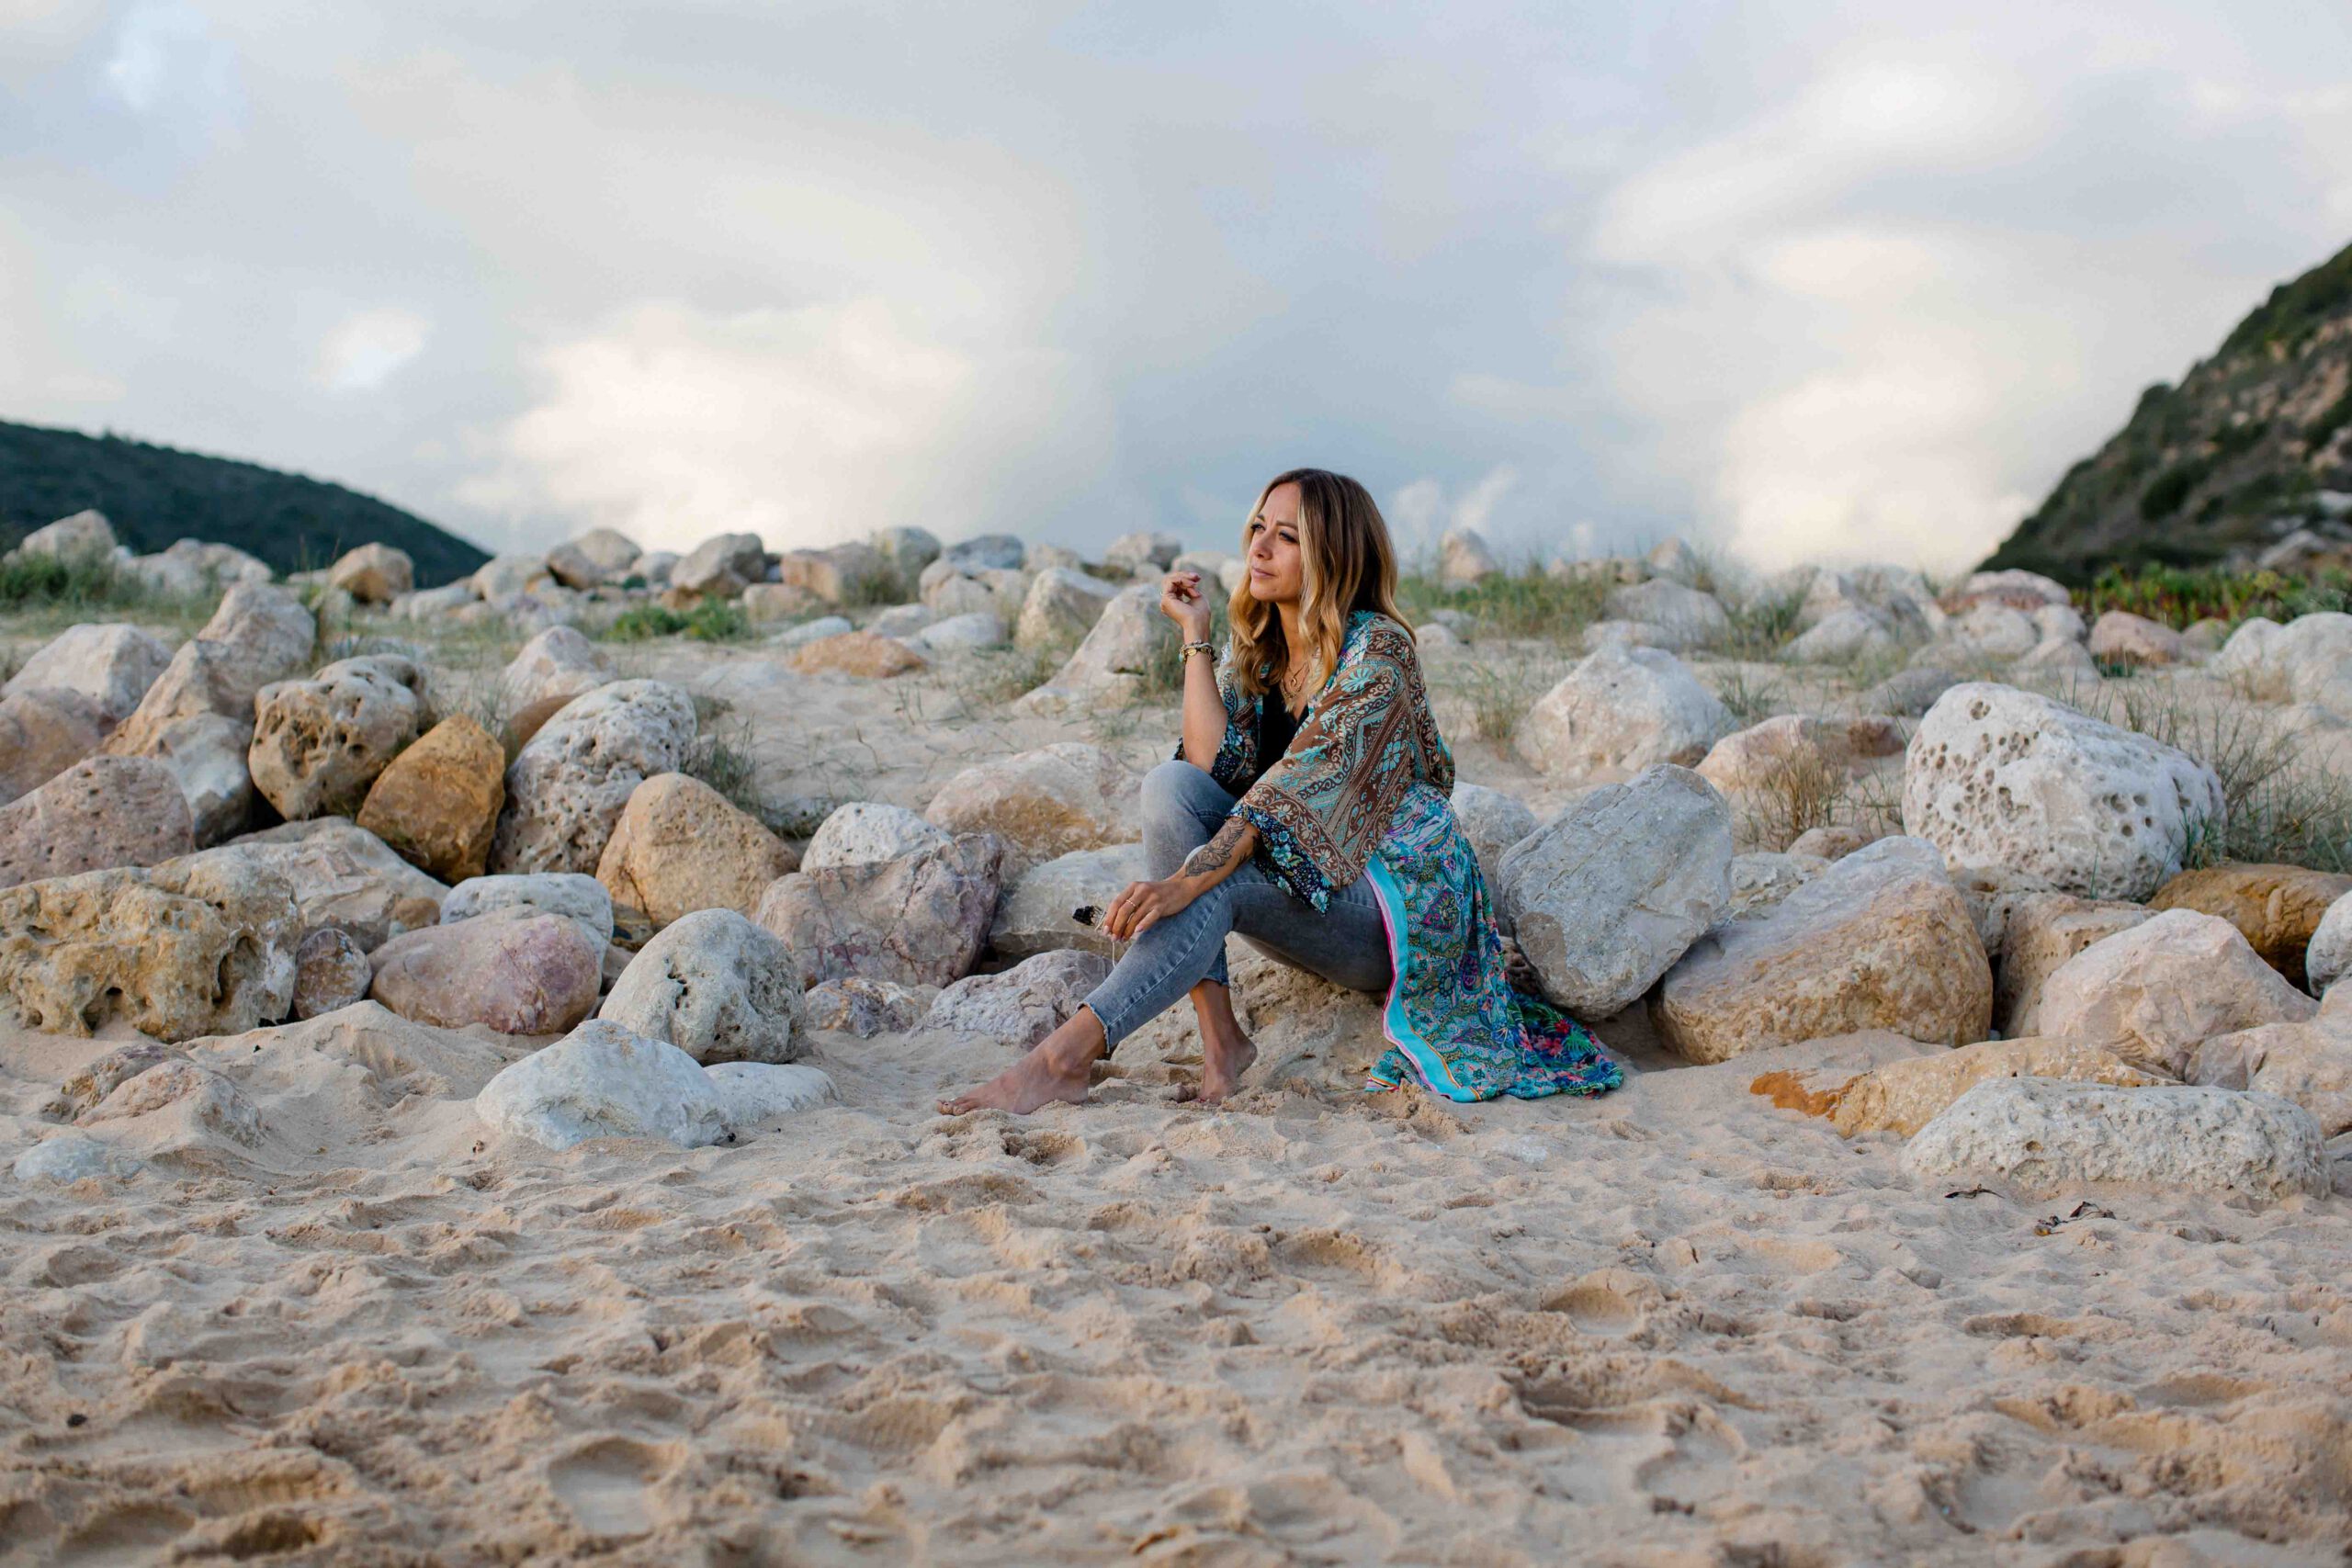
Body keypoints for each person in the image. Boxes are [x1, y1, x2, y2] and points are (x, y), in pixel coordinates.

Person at [938, 468, 1621, 1116]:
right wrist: (1197, 637)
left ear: (1334, 555)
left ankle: (1062, 1059)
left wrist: (1183, 883)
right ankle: (1221, 1045)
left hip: (1393, 910)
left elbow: (1298, 785)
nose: (1259, 546)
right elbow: (1209, 767)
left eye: (1287, 536)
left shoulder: (1379, 653)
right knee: (1169, 785)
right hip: (1315, 884)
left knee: (1218, 883)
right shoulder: (1267, 653)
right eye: (1260, 526)